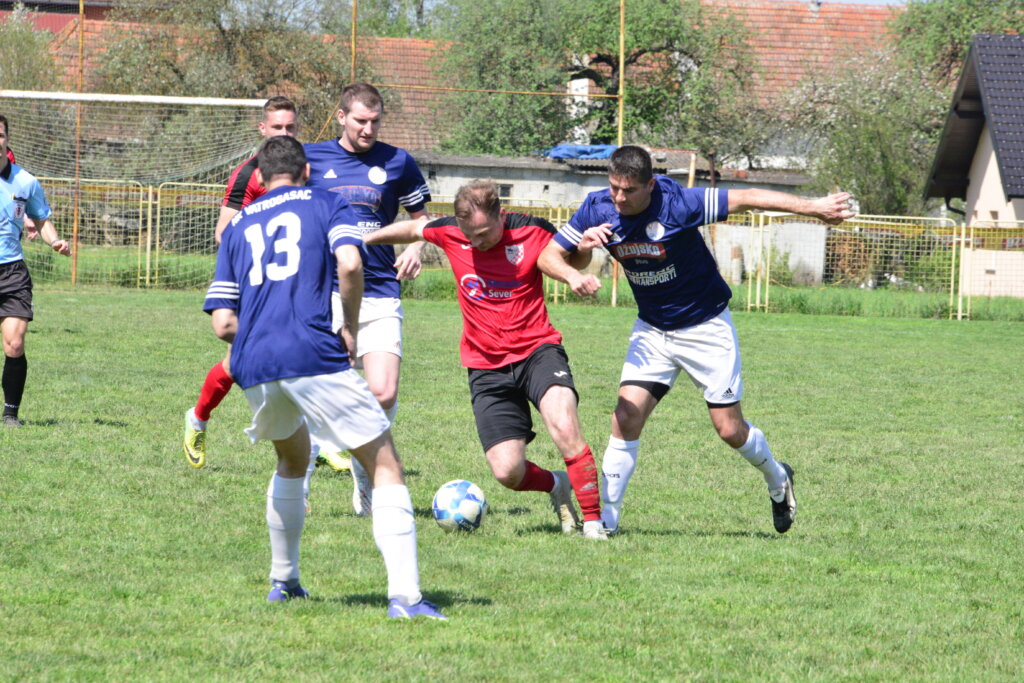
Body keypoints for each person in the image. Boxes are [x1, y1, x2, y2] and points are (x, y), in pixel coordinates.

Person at [539, 145, 856, 535]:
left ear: (650, 185)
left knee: (729, 430)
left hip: (705, 327)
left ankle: (778, 478)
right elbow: (549, 255)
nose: (619, 198)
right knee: (625, 417)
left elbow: (749, 198)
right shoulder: (597, 207)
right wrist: (577, 268)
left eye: (629, 190)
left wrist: (815, 208)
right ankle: (609, 520)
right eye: (614, 187)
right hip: (653, 330)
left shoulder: (678, 203)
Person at [203, 136, 445, 619]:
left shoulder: (239, 225)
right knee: (385, 463)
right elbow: (351, 262)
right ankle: (407, 598)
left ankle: (284, 581)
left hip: (254, 361)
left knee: (292, 459)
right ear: (307, 171)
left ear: (259, 179)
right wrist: (348, 327)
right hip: (311, 349)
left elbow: (223, 323)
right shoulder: (326, 200)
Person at [365, 180, 608, 540]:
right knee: (507, 472)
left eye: (484, 233)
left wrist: (581, 261)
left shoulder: (532, 229)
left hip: (537, 350)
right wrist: (363, 239)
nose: (477, 242)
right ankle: (557, 484)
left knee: (565, 426)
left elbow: (567, 258)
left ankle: (593, 524)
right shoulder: (449, 232)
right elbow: (414, 227)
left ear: (501, 214)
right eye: (470, 235)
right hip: (485, 365)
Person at [302, 82, 431, 515]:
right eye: (360, 120)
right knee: (318, 389)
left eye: (375, 122)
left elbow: (422, 219)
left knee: (384, 391)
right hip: (325, 291)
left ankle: (363, 471)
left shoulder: (398, 162)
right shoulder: (312, 158)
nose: (368, 129)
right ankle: (298, 483)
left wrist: (416, 247)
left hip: (378, 288)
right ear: (341, 117)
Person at [184, 96, 299, 468]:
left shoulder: (305, 169)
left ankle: (319, 446)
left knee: (305, 353)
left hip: (295, 282)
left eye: (290, 127)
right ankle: (198, 417)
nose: (284, 133)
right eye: (277, 127)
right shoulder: (249, 174)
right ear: (262, 129)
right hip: (254, 282)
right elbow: (222, 232)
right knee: (238, 362)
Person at [0, 114, 71, 428]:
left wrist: (54, 240)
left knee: (14, 344)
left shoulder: (26, 181)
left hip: (12, 271)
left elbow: (41, 219)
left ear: (7, 139)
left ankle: (10, 413)